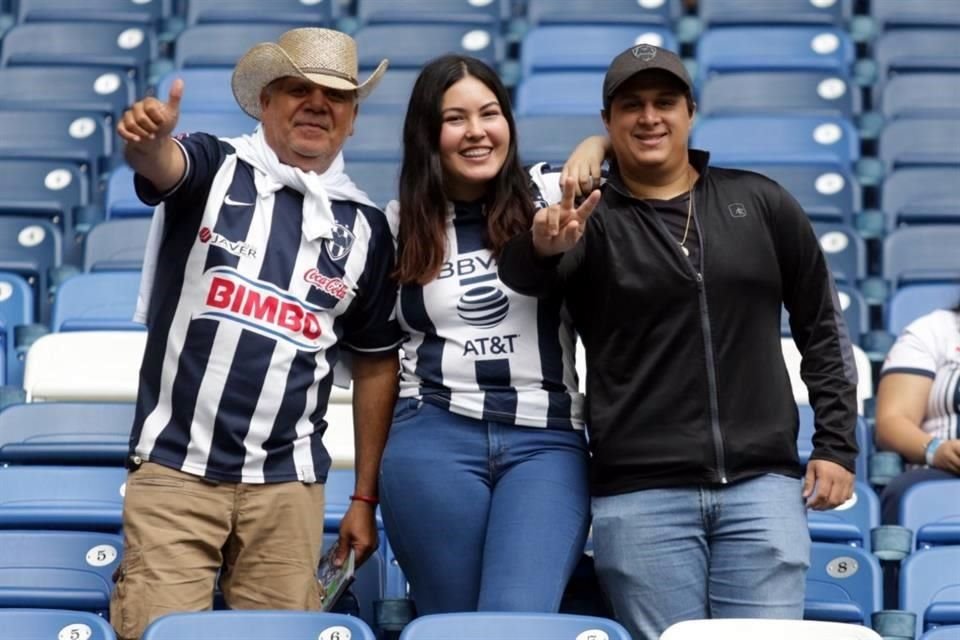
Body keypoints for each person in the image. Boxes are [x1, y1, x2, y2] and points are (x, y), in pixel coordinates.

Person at [498, 44, 859, 640]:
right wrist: (543, 244)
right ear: (609, 123)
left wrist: (837, 445)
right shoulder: (588, 217)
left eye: (665, 102)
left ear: (691, 111)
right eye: (631, 106)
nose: (650, 117)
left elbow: (822, 326)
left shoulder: (760, 200)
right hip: (640, 495)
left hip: (762, 487)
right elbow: (525, 276)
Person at [110, 28, 402, 640]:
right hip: (175, 473)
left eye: (335, 96)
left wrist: (364, 497)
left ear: (351, 121)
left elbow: (376, 366)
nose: (317, 104)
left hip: (288, 489)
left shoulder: (369, 229)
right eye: (298, 89)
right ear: (265, 102)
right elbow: (164, 166)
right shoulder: (215, 165)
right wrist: (148, 142)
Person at [376, 54, 604, 615]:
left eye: (490, 113)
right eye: (455, 119)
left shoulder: (553, 192)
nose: (476, 132)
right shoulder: (395, 225)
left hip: (545, 441)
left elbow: (650, 149)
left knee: (518, 618)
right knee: (450, 623)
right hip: (431, 439)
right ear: (429, 134)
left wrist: (594, 146)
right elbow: (374, 359)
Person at [875, 300, 960, 524]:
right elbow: (892, 421)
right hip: (942, 471)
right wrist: (937, 450)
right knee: (905, 494)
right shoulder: (934, 331)